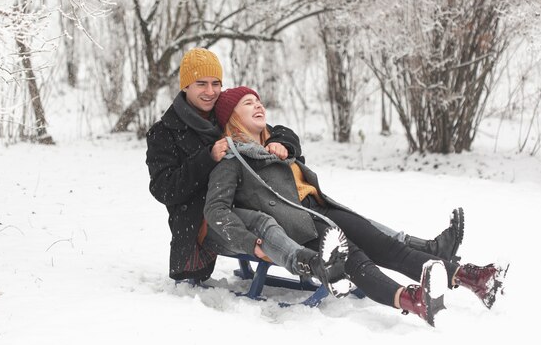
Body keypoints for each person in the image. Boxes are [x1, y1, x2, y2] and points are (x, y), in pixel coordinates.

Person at [145, 47, 462, 284]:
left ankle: (425, 252)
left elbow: (272, 127)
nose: (211, 91)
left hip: (262, 204)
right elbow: (163, 189)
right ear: (185, 86)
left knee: (348, 219)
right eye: (201, 84)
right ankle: (379, 273)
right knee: (330, 224)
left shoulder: (219, 111)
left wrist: (281, 143)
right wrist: (207, 158)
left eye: (216, 83)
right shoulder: (164, 133)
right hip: (208, 223)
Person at [203, 86, 509, 326]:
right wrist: (252, 242)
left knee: (389, 247)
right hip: (297, 223)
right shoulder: (231, 160)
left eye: (258, 101)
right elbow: (215, 210)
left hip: (320, 207)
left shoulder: (278, 145)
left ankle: (474, 278)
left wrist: (283, 147)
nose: (258, 105)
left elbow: (293, 152)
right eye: (247, 103)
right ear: (231, 117)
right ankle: (410, 300)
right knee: (356, 260)